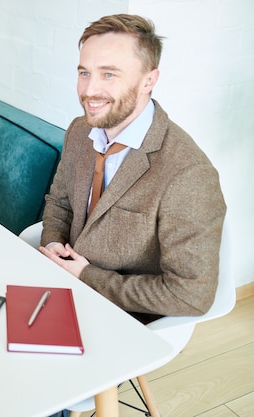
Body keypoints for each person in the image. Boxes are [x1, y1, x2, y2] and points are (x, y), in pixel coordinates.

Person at [38, 14, 226, 325]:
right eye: (84, 72)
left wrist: (88, 276)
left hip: (123, 316)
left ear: (149, 80)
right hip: (63, 286)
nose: (89, 90)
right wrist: (54, 241)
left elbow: (191, 295)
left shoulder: (188, 173)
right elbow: (60, 202)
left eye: (108, 74)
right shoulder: (78, 130)